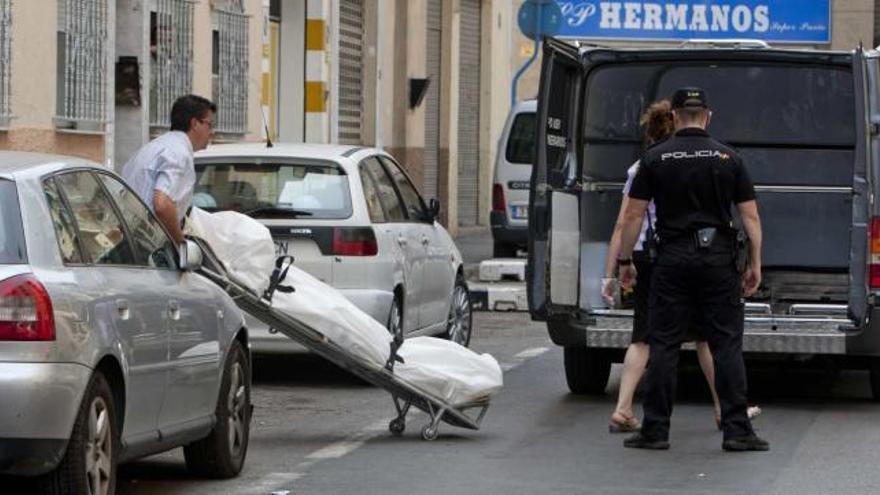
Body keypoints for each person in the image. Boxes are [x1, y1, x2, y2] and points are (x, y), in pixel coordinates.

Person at [617, 87, 769, 452]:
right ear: (708, 116)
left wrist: (625, 262)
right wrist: (755, 264)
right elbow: (750, 217)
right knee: (726, 344)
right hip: (718, 261)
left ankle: (655, 430)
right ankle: (736, 430)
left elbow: (633, 216)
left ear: (673, 117)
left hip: (671, 260)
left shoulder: (655, 159)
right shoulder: (728, 157)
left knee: (664, 344)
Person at [602, 100, 722, 433]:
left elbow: (623, 222)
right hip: (679, 256)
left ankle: (624, 408)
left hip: (641, 257)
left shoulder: (641, 166)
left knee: (643, 336)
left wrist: (612, 271)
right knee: (704, 337)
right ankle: (723, 408)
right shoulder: (688, 163)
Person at [122, 94, 216, 243]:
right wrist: (180, 245)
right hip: (144, 245)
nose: (212, 132)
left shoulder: (153, 147)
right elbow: (162, 204)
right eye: (209, 125)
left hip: (127, 237)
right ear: (195, 123)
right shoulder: (179, 153)